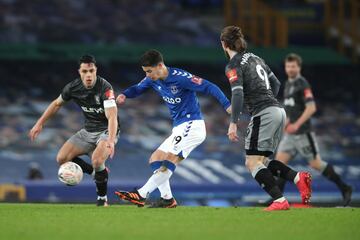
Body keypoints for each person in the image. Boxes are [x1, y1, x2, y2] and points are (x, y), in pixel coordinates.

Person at [115, 49, 231, 208]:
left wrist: (227, 105)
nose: (147, 75)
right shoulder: (153, 78)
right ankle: (167, 199)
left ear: (160, 65)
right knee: (155, 158)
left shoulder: (181, 78)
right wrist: (125, 95)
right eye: (145, 72)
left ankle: (141, 194)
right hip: (179, 127)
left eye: (149, 71)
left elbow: (210, 86)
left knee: (170, 159)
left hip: (192, 125)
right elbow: (138, 88)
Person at [221, 26, 312, 211]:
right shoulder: (256, 58)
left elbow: (237, 94)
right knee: (261, 161)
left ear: (224, 44)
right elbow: (276, 83)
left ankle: (279, 200)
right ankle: (297, 177)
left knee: (251, 162)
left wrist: (233, 123)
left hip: (264, 113)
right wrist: (268, 100)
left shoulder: (233, 65)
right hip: (278, 111)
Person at [29, 55, 119, 206]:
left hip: (105, 130)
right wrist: (39, 123)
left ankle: (102, 199)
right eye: (85, 71)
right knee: (62, 159)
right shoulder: (73, 87)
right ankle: (94, 172)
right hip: (88, 130)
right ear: (79, 72)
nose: (89, 75)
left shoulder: (105, 88)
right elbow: (56, 104)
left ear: (96, 70)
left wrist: (110, 140)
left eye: (91, 71)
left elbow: (112, 117)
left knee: (97, 160)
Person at [276, 53, 352, 206]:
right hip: (290, 135)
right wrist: (286, 124)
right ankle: (277, 199)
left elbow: (311, 108)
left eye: (293, 66)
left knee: (316, 164)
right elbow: (292, 110)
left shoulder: (302, 84)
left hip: (303, 133)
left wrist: (296, 125)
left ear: (299, 67)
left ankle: (345, 188)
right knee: (279, 164)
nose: (290, 69)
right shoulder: (289, 85)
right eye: (288, 66)